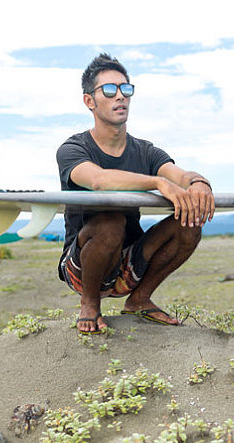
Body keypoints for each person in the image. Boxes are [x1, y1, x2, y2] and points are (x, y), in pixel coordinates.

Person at [56, 53, 214, 334]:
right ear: (90, 101)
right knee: (110, 220)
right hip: (82, 267)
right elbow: (99, 180)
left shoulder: (145, 151)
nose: (120, 96)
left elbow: (180, 176)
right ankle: (90, 304)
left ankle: (139, 299)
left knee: (190, 224)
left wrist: (199, 183)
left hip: (129, 265)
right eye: (109, 90)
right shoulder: (73, 149)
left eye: (125, 89)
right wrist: (158, 183)